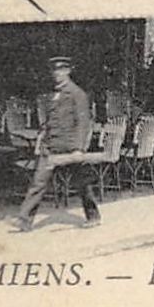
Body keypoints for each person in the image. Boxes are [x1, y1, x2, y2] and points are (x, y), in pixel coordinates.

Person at [14, 56, 100, 232]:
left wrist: (79, 148)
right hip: (51, 147)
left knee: (82, 183)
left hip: (69, 148)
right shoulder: (55, 93)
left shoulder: (77, 94)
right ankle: (25, 220)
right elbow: (51, 121)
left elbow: (83, 123)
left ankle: (93, 215)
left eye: (61, 70)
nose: (57, 74)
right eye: (54, 71)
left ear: (68, 71)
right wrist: (42, 138)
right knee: (38, 182)